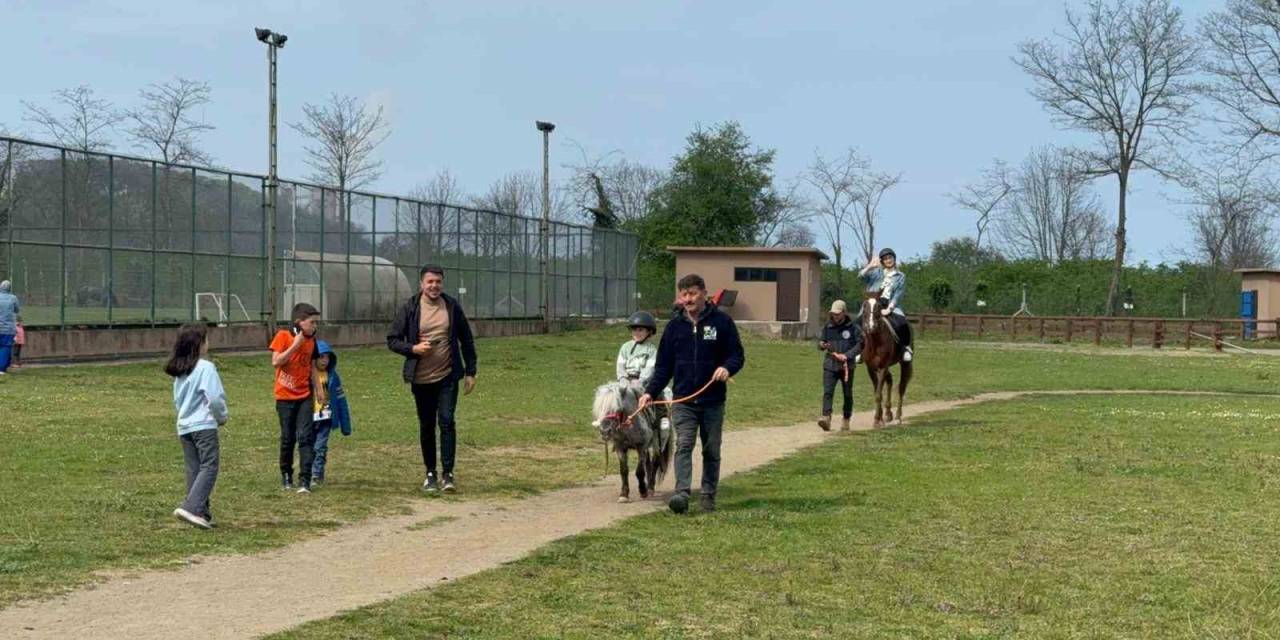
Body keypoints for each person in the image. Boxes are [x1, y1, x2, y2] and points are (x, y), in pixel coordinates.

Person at [640, 273, 745, 514]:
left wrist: (726, 368)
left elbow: (737, 355)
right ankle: (682, 494)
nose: (688, 299)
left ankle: (708, 495)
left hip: (713, 400)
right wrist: (649, 392)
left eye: (693, 294)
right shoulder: (674, 327)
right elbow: (663, 367)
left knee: (711, 449)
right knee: (684, 444)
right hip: (683, 400)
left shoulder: (722, 322)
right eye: (684, 294)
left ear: (704, 293)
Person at [387, 264, 477, 494]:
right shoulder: (410, 308)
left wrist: (470, 371)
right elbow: (393, 340)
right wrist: (414, 348)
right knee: (427, 425)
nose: (434, 286)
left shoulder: (452, 306)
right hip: (421, 377)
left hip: (448, 375)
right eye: (430, 282)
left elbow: (466, 340)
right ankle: (430, 474)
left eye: (438, 282)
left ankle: (448, 475)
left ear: (442, 283)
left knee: (446, 421)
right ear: (422, 284)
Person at [164, 324, 228, 530]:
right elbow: (215, 398)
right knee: (209, 466)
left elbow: (178, 400)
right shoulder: (205, 367)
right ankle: (192, 506)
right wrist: (221, 417)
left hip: (184, 426)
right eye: (207, 339)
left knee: (194, 469)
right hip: (203, 425)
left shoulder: (181, 371)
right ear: (199, 344)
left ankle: (200, 512)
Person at [270, 302, 321, 493]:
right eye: (312, 322)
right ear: (300, 322)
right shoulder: (283, 336)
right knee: (287, 438)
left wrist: (319, 389)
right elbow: (276, 361)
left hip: (304, 396)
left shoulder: (312, 341)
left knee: (306, 437)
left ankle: (305, 479)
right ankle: (286, 475)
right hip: (284, 397)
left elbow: (313, 366)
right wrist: (295, 345)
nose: (315, 326)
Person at [615, 311, 670, 431]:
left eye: (640, 330)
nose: (637, 333)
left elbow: (650, 368)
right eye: (634, 330)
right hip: (626, 380)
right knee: (612, 398)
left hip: (644, 381)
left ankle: (662, 419)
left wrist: (640, 381)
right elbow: (620, 365)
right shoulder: (625, 347)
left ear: (649, 332)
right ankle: (610, 422)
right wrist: (623, 379)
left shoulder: (651, 349)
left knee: (658, 395)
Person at [310, 340, 353, 487]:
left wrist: (345, 425)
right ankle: (310, 472)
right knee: (309, 447)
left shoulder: (333, 377)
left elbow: (341, 401)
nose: (324, 360)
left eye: (327, 357)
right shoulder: (307, 376)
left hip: (326, 419)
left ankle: (316, 475)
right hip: (309, 419)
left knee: (320, 447)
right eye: (321, 357)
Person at [859, 248, 913, 361]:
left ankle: (906, 348)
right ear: (882, 261)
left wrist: (890, 308)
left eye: (890, 258)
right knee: (857, 322)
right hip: (874, 303)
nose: (888, 260)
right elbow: (861, 277)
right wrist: (870, 266)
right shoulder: (877, 272)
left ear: (894, 258)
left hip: (890, 304)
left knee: (902, 323)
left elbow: (898, 293)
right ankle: (859, 350)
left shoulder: (900, 276)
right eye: (885, 259)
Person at [818, 300, 861, 431]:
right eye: (833, 314)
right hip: (830, 365)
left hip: (847, 366)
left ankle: (846, 419)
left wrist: (847, 355)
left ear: (844, 313)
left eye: (838, 314)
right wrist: (821, 345)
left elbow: (860, 344)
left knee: (847, 393)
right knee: (828, 392)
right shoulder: (828, 326)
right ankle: (826, 417)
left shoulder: (853, 327)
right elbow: (821, 342)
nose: (835, 316)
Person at [0, 280, 19, 375]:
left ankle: (4, 366)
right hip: (8, 328)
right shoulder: (13, 298)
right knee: (5, 347)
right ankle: (2, 368)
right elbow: (17, 310)